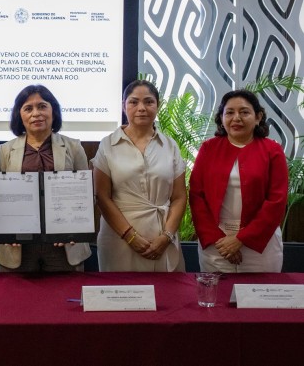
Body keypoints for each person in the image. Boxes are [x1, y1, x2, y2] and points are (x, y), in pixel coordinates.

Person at [92, 80, 186, 272]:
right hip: (119, 238)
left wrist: (166, 236)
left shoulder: (170, 146)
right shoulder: (108, 145)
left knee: (166, 290)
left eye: (149, 102)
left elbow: (179, 197)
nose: (141, 108)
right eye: (134, 102)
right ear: (124, 106)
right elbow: (102, 196)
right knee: (122, 289)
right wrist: (130, 236)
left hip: (163, 238)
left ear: (158, 105)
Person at [0, 85, 91, 272]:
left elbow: (86, 195)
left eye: (42, 106)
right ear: (19, 115)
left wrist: (75, 228)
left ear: (53, 111)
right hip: (19, 246)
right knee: (14, 291)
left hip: (64, 245)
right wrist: (6, 230)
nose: (36, 113)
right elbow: (0, 198)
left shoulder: (73, 147)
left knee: (66, 291)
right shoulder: (5, 150)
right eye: (28, 108)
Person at [190, 89, 288, 273]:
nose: (236, 118)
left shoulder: (272, 150)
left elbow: (277, 201)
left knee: (259, 291)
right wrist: (218, 239)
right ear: (221, 118)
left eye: (244, 112)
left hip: (260, 244)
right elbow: (196, 196)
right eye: (229, 112)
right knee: (217, 291)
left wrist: (241, 239)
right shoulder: (208, 149)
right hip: (217, 243)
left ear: (258, 117)